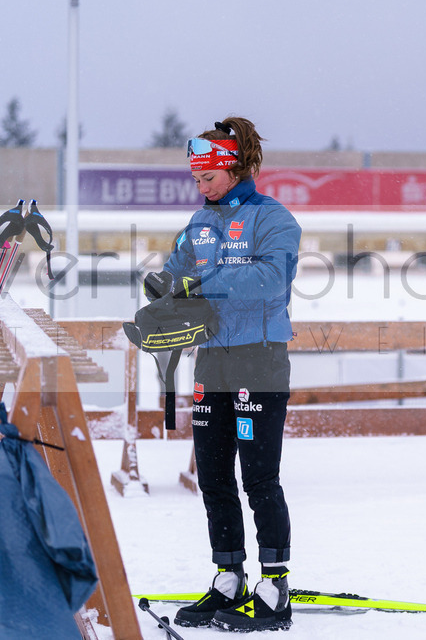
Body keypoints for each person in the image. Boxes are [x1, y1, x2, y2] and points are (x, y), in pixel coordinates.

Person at [151, 117, 300, 632]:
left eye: (208, 177)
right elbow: (177, 271)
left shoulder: (273, 218)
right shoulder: (198, 223)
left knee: (259, 478)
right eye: (196, 179)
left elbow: (270, 278)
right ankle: (229, 579)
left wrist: (203, 282)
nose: (202, 187)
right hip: (212, 358)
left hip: (259, 357)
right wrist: (163, 289)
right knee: (213, 477)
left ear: (235, 168)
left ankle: (275, 588)